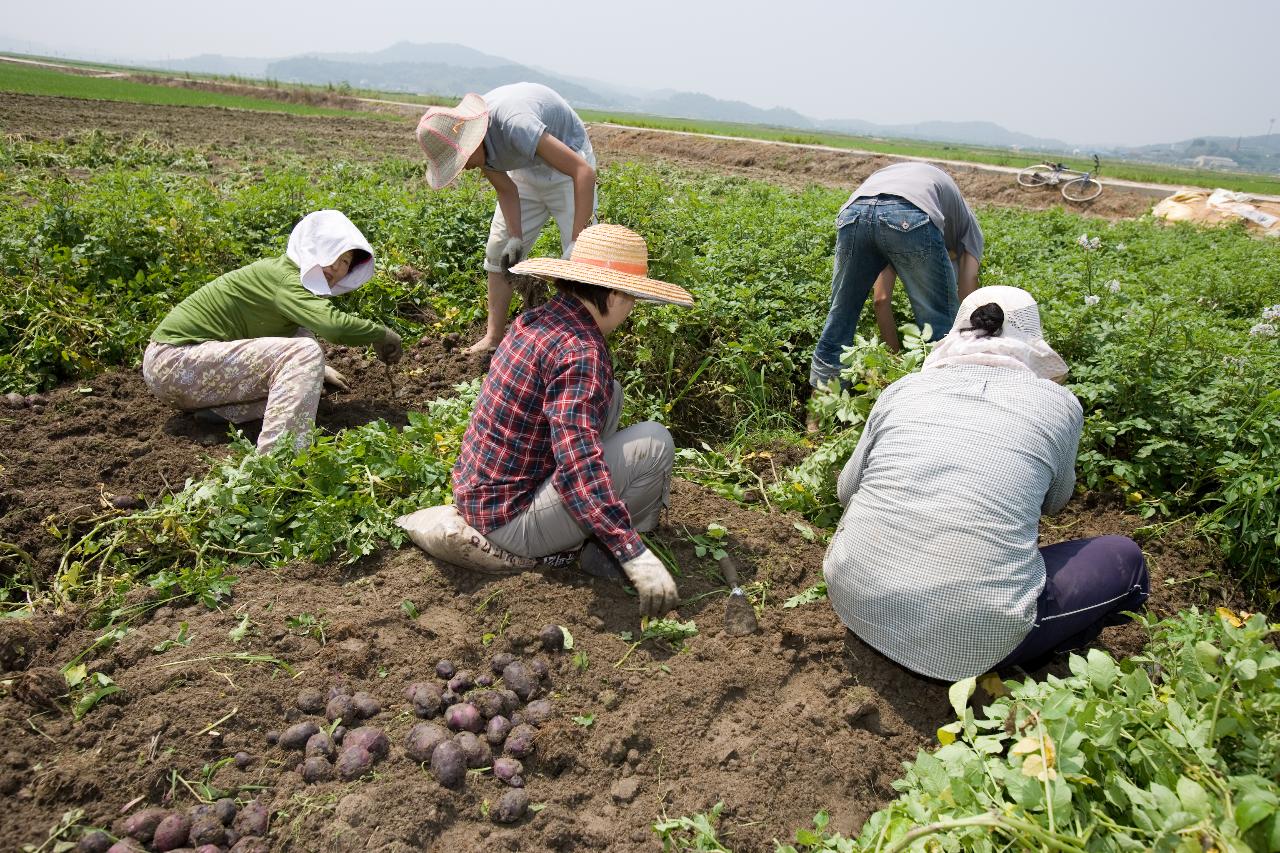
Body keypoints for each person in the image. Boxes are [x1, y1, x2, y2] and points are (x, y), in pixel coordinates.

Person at [823, 286, 1148, 681]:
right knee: (1125, 560)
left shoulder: (902, 390)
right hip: (971, 637)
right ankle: (1033, 660)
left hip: (854, 597)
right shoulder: (1058, 405)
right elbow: (1055, 503)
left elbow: (845, 491)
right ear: (1031, 342)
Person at [451, 224, 694, 617]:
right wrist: (630, 550)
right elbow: (578, 463)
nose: (631, 310)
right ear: (613, 295)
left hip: (480, 493)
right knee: (654, 443)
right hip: (508, 521)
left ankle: (592, 535)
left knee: (609, 393)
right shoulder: (582, 350)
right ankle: (604, 554)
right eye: (631, 298)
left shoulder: (536, 320)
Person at [142, 210, 403, 452]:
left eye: (345, 261)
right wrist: (380, 334)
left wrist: (318, 370)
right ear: (311, 248)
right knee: (304, 354)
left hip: (183, 371)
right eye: (331, 254)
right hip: (175, 361)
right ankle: (280, 457)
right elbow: (333, 327)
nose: (336, 267)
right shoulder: (285, 279)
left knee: (304, 383)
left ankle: (222, 413)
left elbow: (291, 335)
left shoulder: (289, 283)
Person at [415, 83, 597, 354]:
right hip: (524, 168)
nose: (464, 168)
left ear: (473, 141)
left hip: (567, 170)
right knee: (498, 251)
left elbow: (583, 173)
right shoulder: (478, 145)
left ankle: (583, 346)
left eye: (461, 160)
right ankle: (494, 337)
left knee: (583, 261)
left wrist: (575, 241)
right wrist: (515, 237)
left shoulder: (515, 124)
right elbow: (507, 188)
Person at [810, 161, 984, 390]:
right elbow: (968, 299)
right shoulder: (970, 228)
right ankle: (942, 400)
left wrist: (895, 360)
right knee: (941, 325)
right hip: (910, 213)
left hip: (855, 210)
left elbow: (880, 300)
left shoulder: (927, 214)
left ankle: (816, 418)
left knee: (840, 318)